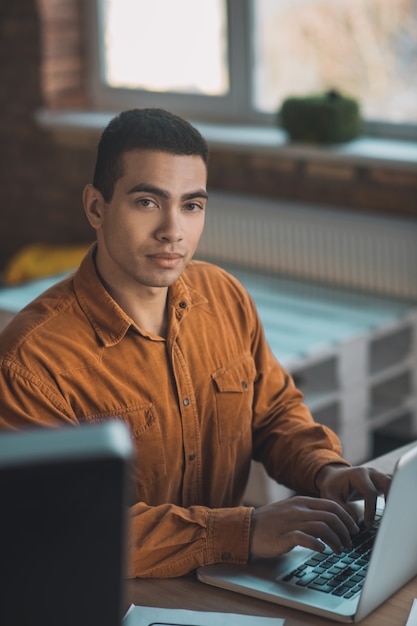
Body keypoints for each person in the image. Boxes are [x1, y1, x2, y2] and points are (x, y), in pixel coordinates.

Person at [0, 108, 390, 578]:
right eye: (147, 202)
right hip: (119, 594)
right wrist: (240, 532)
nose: (173, 230)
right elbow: (63, 528)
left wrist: (325, 470)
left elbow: (272, 412)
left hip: (226, 579)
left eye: (191, 205)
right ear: (96, 208)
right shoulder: (31, 361)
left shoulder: (223, 296)